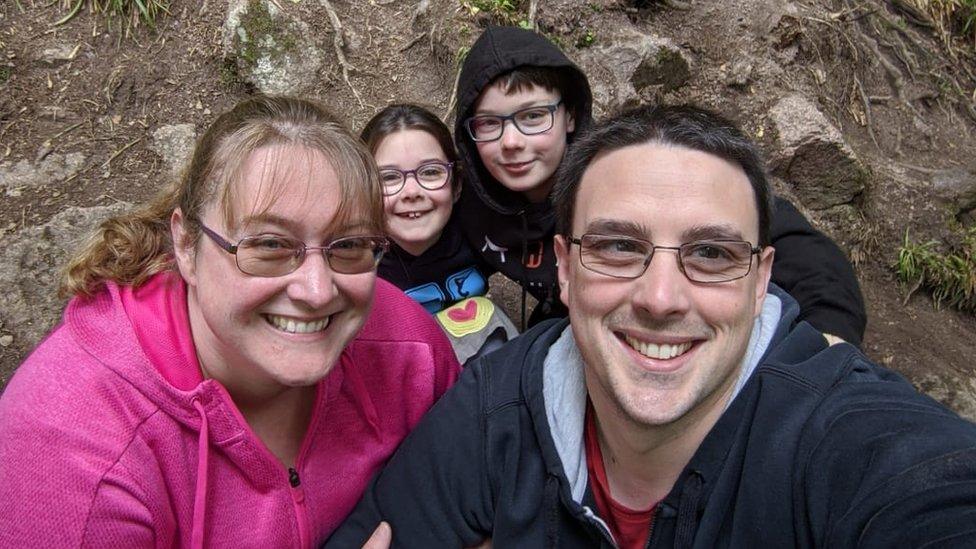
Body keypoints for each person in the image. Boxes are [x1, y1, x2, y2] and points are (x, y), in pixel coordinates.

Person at [327, 105, 976, 548]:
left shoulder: (842, 438)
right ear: (563, 267)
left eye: (713, 253)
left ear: (761, 279)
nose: (661, 296)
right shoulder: (500, 403)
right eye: (617, 246)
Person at [0, 96, 460, 547]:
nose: (318, 291)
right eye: (270, 246)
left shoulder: (406, 346)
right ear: (185, 244)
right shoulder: (71, 456)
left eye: (348, 245)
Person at [452, 25, 866, 345]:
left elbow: (790, 240)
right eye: (490, 123)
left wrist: (829, 333)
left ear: (571, 116)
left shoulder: (624, 174)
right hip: (576, 326)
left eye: (532, 117)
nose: (511, 142)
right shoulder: (474, 202)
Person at [360, 105, 517, 362]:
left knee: (486, 314)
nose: (411, 192)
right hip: (397, 365)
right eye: (388, 178)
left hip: (473, 355)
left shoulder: (480, 232)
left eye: (431, 172)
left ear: (456, 185)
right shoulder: (355, 259)